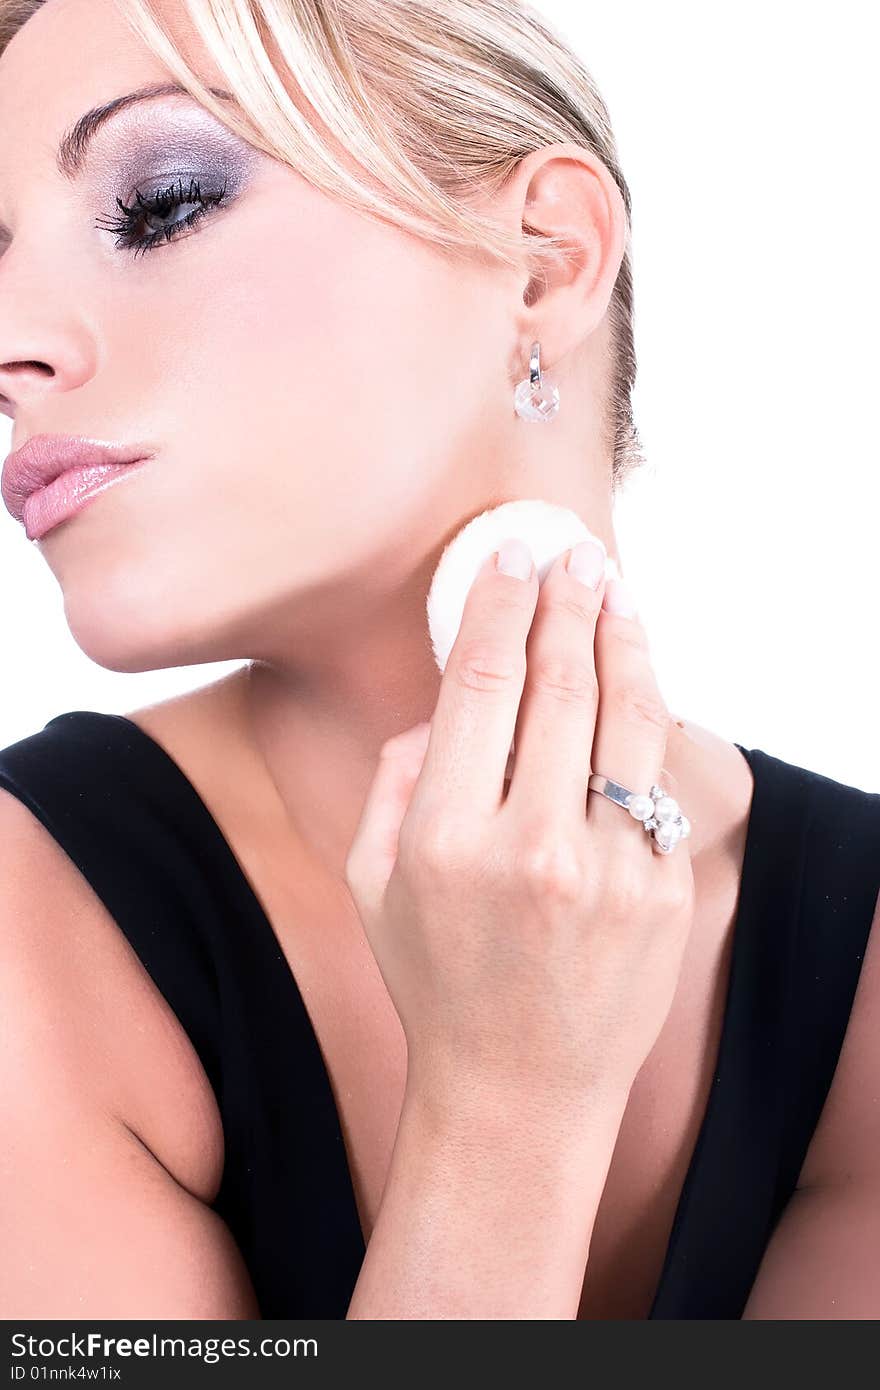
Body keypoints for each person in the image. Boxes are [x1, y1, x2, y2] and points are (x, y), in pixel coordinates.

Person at [0, 0, 878, 1322]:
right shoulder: (31, 933)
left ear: (544, 261)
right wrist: (507, 1107)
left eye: (161, 203)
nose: (12, 348)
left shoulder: (856, 965)